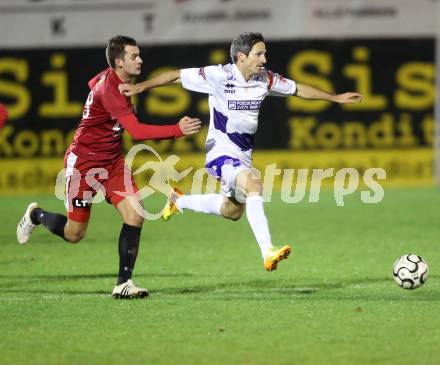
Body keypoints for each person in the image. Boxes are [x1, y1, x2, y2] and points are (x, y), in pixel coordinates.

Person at [119, 32, 362, 271]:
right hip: (220, 153)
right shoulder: (219, 75)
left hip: (243, 156)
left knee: (232, 211)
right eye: (259, 54)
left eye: (264, 53)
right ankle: (268, 251)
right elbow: (176, 76)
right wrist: (141, 87)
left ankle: (179, 200)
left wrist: (335, 97)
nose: (264, 59)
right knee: (254, 185)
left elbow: (298, 89)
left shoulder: (265, 80)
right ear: (242, 57)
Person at [16, 35, 201, 299]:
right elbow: (136, 131)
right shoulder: (111, 90)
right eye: (134, 56)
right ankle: (37, 215)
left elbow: (94, 82)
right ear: (118, 62)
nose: (140, 60)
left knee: (135, 214)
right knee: (74, 233)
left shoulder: (116, 80)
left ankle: (123, 283)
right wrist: (176, 130)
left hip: (112, 161)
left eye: (139, 55)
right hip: (84, 163)